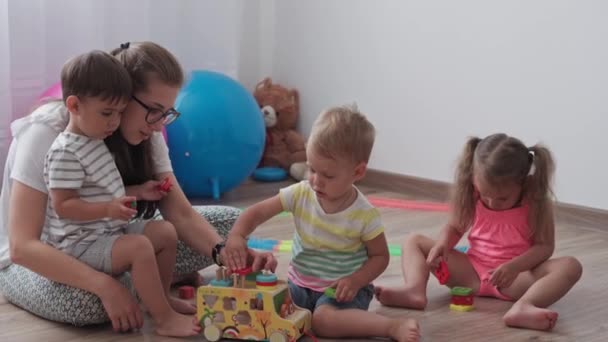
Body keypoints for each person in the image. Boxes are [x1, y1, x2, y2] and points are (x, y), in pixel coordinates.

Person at [0, 41, 276, 332]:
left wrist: (227, 254)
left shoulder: (149, 129)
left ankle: (148, 289)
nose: (159, 125)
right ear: (122, 95)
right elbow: (23, 247)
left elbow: (180, 214)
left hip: (110, 235)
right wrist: (105, 286)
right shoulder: (47, 132)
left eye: (167, 112)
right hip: (41, 259)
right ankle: (141, 287)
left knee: (229, 225)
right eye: (154, 110)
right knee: (90, 304)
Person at [224, 105, 420, 342]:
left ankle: (390, 327)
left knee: (323, 322)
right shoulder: (300, 193)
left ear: (357, 172)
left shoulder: (364, 215)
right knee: (266, 304)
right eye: (311, 169)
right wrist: (236, 236)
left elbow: (380, 257)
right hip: (299, 285)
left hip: (342, 292)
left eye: (328, 176)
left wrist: (356, 280)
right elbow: (256, 213)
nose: (316, 181)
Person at [43, 50, 199, 336]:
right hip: (78, 244)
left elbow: (100, 191)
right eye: (107, 113)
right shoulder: (65, 151)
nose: (114, 122)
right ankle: (163, 319)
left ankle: (160, 302)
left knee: (164, 232)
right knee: (139, 247)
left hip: (104, 231)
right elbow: (64, 205)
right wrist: (107, 209)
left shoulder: (95, 139)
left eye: (118, 112)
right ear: (74, 106)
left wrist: (139, 191)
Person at [375, 133, 583, 331]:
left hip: (516, 279)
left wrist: (513, 267)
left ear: (523, 183)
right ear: (474, 178)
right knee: (414, 241)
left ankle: (524, 306)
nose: (492, 202)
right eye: (486, 195)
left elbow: (545, 247)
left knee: (571, 266)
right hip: (471, 274)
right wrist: (442, 245)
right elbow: (455, 227)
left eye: (502, 198)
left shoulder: (536, 202)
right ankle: (414, 290)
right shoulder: (472, 193)